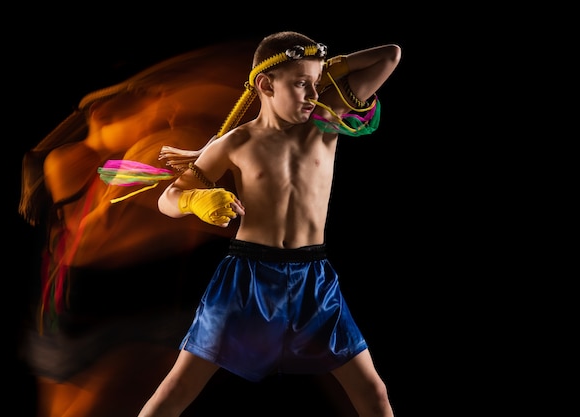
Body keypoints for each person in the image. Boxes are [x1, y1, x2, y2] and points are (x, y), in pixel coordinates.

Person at [138, 31, 401, 417]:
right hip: (246, 277)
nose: (312, 94)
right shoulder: (233, 143)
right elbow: (167, 200)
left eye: (316, 84)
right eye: (300, 84)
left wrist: (317, 72)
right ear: (265, 85)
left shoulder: (325, 120)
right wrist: (197, 198)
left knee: (373, 393)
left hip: (315, 278)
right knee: (178, 388)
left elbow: (389, 56)